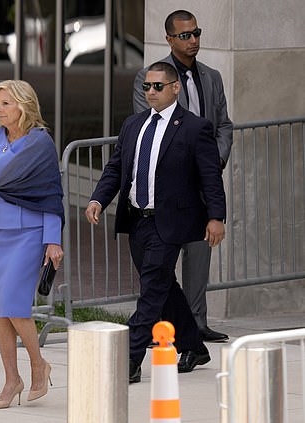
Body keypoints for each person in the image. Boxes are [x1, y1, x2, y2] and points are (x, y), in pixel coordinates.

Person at [86, 62, 226, 383]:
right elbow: (116, 167)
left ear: (175, 88)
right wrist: (97, 198)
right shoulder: (133, 124)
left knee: (151, 290)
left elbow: (210, 177)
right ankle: (193, 345)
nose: (150, 92)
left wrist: (216, 217)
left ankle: (130, 359)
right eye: (147, 86)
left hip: (171, 223)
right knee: (163, 286)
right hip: (138, 221)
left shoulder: (194, 127)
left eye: (158, 86)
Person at [133, 10, 233, 343]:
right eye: (185, 35)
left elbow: (223, 126)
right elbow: (147, 127)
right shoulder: (150, 77)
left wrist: (212, 161)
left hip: (202, 186)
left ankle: (197, 324)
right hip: (168, 189)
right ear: (169, 39)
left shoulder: (212, 76)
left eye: (196, 33)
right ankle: (164, 327)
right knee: (159, 263)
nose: (193, 41)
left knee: (199, 254)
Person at [0, 80, 64, 408]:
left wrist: (53, 240)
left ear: (23, 105)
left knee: (15, 305)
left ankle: (38, 364)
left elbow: (51, 192)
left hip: (29, 233)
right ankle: (12, 379)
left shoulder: (40, 143)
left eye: (6, 104)